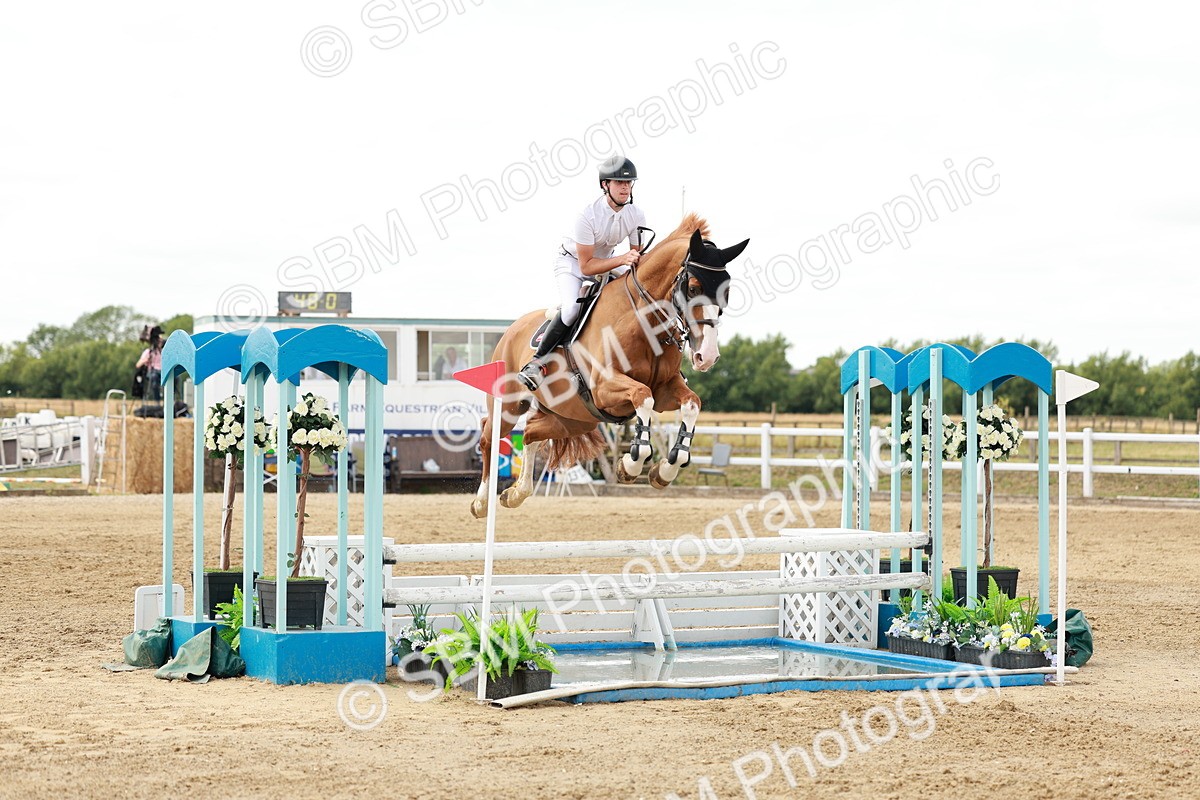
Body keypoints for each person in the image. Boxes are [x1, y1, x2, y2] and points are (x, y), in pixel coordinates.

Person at [517, 155, 647, 391]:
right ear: (605, 185)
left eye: (628, 183)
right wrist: (622, 260)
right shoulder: (588, 216)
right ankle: (537, 362)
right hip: (573, 263)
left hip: (607, 261)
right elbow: (586, 266)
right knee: (571, 310)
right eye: (619, 182)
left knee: (639, 289)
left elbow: (636, 256)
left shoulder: (636, 214)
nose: (625, 187)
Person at [136, 326, 165, 402]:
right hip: (153, 371)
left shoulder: (164, 351)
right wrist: (146, 360)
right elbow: (138, 364)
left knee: (175, 378)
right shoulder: (149, 352)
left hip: (164, 371)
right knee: (154, 377)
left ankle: (169, 398)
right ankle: (157, 401)